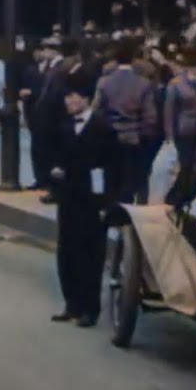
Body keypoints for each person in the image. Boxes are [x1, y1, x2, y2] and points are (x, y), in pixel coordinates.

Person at [47, 70, 119, 327]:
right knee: (66, 251)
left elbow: (111, 167)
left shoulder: (103, 128)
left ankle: (90, 308)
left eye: (74, 97)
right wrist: (55, 172)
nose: (69, 102)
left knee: (91, 253)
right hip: (68, 197)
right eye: (67, 98)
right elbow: (55, 156)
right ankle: (71, 303)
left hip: (92, 199)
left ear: (86, 99)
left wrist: (106, 201)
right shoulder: (64, 127)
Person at [92, 39, 160, 204]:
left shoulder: (105, 81)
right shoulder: (143, 84)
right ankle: (125, 217)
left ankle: (110, 213)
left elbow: (95, 110)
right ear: (134, 59)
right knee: (130, 183)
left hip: (110, 138)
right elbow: (150, 116)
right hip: (133, 138)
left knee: (110, 180)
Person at [29, 37, 72, 193]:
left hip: (52, 116)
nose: (43, 52)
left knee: (51, 151)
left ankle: (51, 183)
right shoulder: (45, 66)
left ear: (54, 50)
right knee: (40, 148)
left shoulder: (60, 67)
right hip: (41, 114)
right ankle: (41, 179)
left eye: (46, 49)